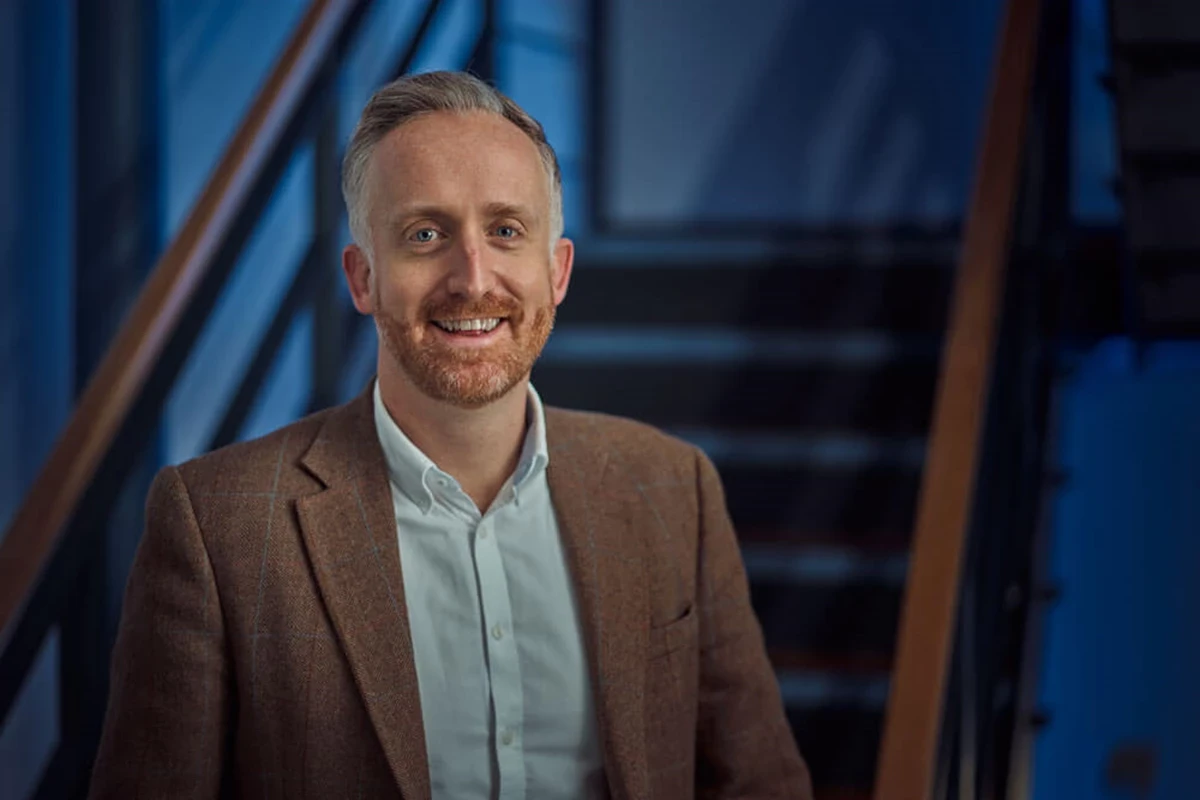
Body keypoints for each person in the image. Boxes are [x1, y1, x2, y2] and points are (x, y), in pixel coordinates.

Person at [89, 70, 811, 799]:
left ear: (556, 270)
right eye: (425, 234)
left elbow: (760, 784)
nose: (472, 278)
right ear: (363, 277)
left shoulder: (671, 487)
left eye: (506, 231)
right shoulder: (217, 526)